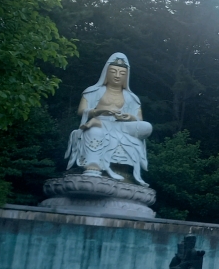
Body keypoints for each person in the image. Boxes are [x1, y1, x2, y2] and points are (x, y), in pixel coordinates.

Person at [65, 53, 153, 184]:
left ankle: (97, 124)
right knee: (94, 132)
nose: (117, 75)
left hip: (121, 125)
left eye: (122, 73)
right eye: (113, 71)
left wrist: (129, 116)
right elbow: (81, 111)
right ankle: (93, 164)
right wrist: (100, 111)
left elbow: (139, 119)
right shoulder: (93, 91)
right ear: (106, 72)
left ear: (126, 76)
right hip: (101, 121)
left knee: (147, 127)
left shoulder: (132, 97)